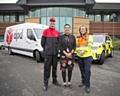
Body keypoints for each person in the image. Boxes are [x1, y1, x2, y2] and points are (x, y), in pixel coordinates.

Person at [41, 17, 61, 91]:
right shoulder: (45, 31)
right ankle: (45, 83)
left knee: (55, 67)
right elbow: (42, 43)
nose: (52, 22)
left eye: (53, 21)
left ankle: (54, 80)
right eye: (51, 21)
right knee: (47, 68)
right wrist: (47, 49)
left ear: (55, 22)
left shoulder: (57, 32)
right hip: (48, 54)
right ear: (49, 22)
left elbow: (59, 43)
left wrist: (57, 49)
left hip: (55, 54)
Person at [75, 25, 93, 93]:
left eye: (83, 29)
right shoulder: (78, 38)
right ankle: (83, 81)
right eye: (81, 29)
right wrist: (78, 51)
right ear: (80, 30)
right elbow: (76, 46)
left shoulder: (89, 36)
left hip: (87, 56)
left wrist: (84, 51)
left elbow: (90, 46)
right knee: (82, 70)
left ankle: (87, 85)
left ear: (86, 30)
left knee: (87, 70)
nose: (82, 30)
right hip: (80, 56)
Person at [59, 24, 76, 89]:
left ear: (70, 29)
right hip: (63, 55)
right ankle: (64, 82)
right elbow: (59, 47)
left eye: (68, 28)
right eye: (65, 28)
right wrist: (66, 53)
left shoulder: (72, 37)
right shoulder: (61, 37)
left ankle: (69, 82)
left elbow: (75, 46)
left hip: (71, 56)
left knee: (70, 69)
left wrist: (71, 53)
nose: (67, 29)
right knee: (63, 69)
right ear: (64, 29)